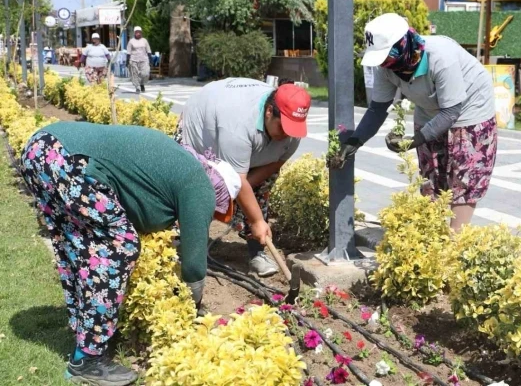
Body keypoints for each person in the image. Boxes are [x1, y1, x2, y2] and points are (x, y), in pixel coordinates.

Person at [20, 122, 239, 385]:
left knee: (82, 248)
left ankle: (85, 341)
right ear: (221, 191)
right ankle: (88, 361)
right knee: (120, 246)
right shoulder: (201, 185)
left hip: (42, 149)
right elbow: (193, 264)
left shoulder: (179, 163)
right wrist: (191, 305)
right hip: (69, 161)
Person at [335, 13, 498, 232]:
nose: (384, 63)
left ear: (404, 44)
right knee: (431, 179)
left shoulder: (440, 57)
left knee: (463, 178)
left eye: (387, 56)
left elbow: (451, 111)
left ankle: (455, 241)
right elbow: (377, 108)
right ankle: (430, 238)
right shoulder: (387, 67)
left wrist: (416, 139)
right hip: (430, 111)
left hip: (470, 108)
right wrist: (355, 141)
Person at [176, 78, 311, 277]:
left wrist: (248, 198)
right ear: (268, 112)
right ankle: (189, 244)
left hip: (239, 147)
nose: (287, 135)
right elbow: (236, 178)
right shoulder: (237, 124)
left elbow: (274, 164)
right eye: (282, 128)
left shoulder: (292, 127)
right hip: (201, 132)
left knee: (257, 193)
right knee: (196, 190)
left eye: (292, 130)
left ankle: (256, 253)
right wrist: (254, 218)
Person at [126, 26, 152, 93]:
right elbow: (128, 52)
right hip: (133, 60)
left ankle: (142, 83)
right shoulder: (131, 41)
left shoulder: (144, 41)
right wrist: (127, 61)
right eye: (136, 32)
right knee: (134, 74)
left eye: (139, 32)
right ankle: (137, 87)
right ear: (134, 33)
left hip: (144, 60)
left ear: (141, 32)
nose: (138, 33)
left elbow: (148, 50)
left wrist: (150, 59)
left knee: (145, 73)